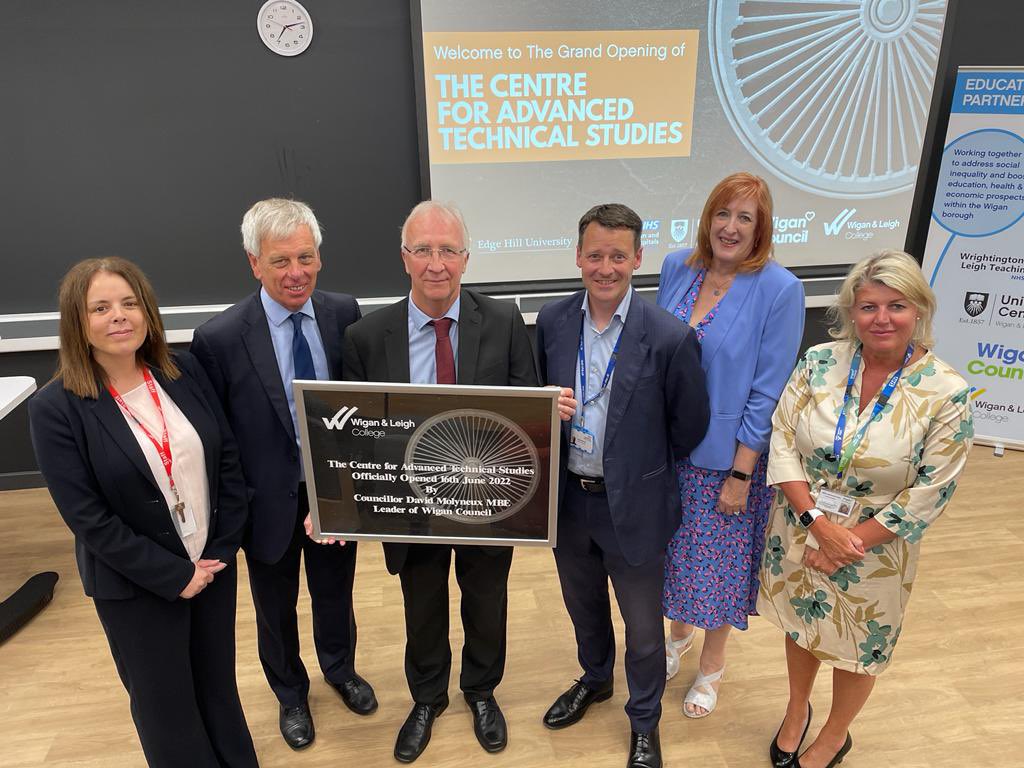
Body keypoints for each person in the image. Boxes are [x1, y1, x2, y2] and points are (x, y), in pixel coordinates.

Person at [29, 258, 258, 767]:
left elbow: (227, 464)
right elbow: (86, 517)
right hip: (137, 587)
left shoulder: (183, 371)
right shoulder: (56, 409)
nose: (119, 316)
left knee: (219, 691)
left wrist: (218, 553)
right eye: (101, 307)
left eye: (130, 303)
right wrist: (175, 575)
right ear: (77, 322)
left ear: (148, 312)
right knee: (166, 709)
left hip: (213, 567)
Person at [339, 200, 539, 763]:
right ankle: (427, 697)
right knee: (421, 604)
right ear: (404, 257)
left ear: (466, 260)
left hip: (487, 501)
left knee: (486, 600)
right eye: (423, 249)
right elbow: (356, 431)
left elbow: (527, 415)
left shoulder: (502, 323)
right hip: (411, 506)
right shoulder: (366, 336)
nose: (436, 263)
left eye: (448, 250)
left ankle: (481, 691)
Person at [759, 250, 973, 768]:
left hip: (874, 548)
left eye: (896, 306)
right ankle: (795, 713)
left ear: (919, 309)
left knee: (858, 643)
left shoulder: (947, 392)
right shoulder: (820, 361)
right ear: (851, 312)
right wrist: (817, 525)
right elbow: (783, 440)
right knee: (801, 625)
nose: (881, 319)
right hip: (799, 524)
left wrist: (844, 542)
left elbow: (931, 491)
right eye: (869, 306)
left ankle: (834, 736)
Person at [190, 198, 375, 750]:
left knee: (335, 592)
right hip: (263, 500)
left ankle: (339, 670)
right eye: (280, 261)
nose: (296, 273)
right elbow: (217, 438)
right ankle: (290, 693)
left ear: (319, 257)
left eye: (306, 257)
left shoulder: (345, 312)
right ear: (254, 263)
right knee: (274, 604)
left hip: (333, 490)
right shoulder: (219, 339)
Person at [536, 203, 709, 768]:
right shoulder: (552, 321)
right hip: (569, 503)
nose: (604, 267)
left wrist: (640, 466)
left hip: (634, 505)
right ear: (577, 256)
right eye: (594, 254)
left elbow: (690, 426)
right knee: (583, 608)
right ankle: (594, 679)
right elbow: (534, 407)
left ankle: (644, 721)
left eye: (617, 255)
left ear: (638, 258)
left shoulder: (669, 336)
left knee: (642, 629)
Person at [656, 172, 805, 717]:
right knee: (676, 556)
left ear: (761, 229)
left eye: (746, 218)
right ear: (708, 217)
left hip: (726, 459)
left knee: (717, 568)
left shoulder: (779, 289)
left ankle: (711, 670)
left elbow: (768, 392)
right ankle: (675, 639)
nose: (731, 227)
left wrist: (742, 473)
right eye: (724, 213)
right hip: (665, 450)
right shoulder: (678, 267)